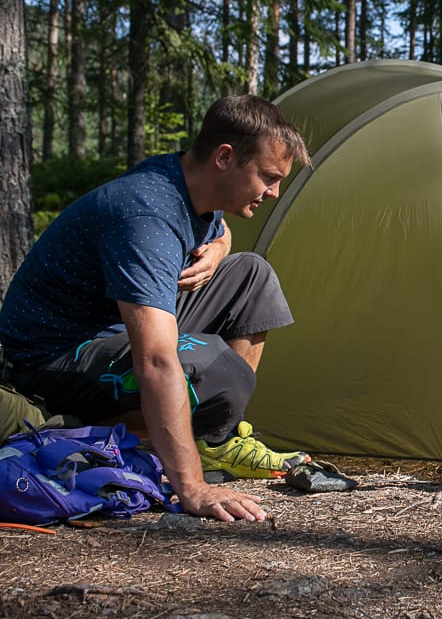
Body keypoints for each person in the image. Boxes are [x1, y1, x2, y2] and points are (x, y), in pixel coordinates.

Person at [0, 94, 312, 523]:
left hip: (111, 329)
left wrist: (219, 248)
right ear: (224, 158)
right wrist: (193, 487)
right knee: (219, 371)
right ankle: (103, 436)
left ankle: (213, 440)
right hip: (49, 360)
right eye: (269, 177)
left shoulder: (187, 181)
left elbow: (219, 229)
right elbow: (156, 360)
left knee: (251, 276)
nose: (273, 192)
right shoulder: (146, 215)